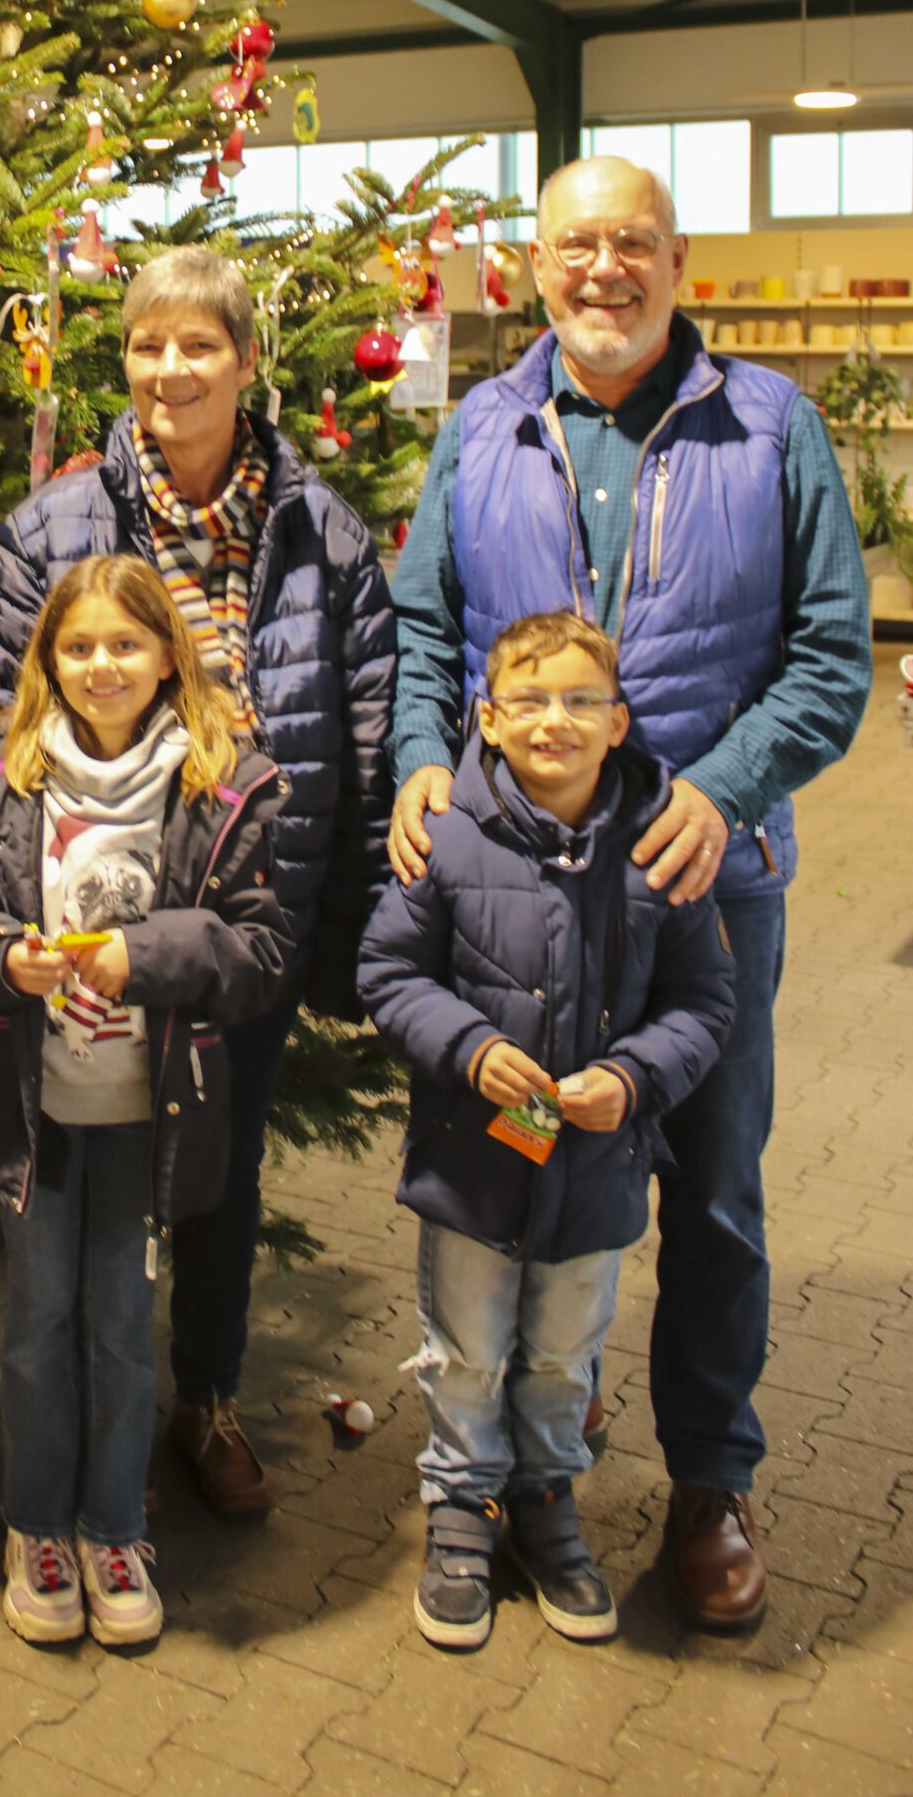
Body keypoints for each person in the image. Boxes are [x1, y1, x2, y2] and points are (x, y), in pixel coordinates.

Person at [388, 154, 872, 1630]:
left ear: (678, 263)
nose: (605, 268)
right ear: (535, 267)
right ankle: (535, 1448)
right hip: (511, 889)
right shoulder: (483, 428)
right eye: (577, 244)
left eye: (634, 243)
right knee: (530, 1163)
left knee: (712, 1193)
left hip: (700, 887)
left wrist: (715, 792)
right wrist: (421, 757)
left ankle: (712, 1480)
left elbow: (829, 657)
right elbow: (423, 626)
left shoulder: (769, 427)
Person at [0, 248, 393, 1516]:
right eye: (147, 345)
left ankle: (205, 1397)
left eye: (199, 344)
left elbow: (373, 726)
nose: (172, 369)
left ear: (247, 361)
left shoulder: (321, 529)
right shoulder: (56, 524)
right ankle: (67, 1423)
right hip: (73, 903)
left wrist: (374, 921)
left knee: (220, 1169)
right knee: (69, 1173)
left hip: (243, 909)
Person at [0, 555, 295, 1649]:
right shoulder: (1, 773)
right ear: (47, 659)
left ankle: (112, 1525)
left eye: (126, 644)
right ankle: (38, 1522)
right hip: (35, 1112)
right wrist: (4, 959)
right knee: (38, 1322)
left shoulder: (222, 784)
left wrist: (146, 955)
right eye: (79, 646)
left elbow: (259, 950)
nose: (102, 666)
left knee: (124, 1326)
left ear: (167, 657)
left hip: (146, 1111)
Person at [360, 612, 733, 1651]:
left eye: (579, 701)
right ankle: (461, 1502)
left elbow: (705, 1000)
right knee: (466, 1349)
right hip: (473, 1167)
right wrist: (469, 1048)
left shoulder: (659, 845)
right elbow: (387, 972)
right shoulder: (447, 833)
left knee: (565, 1354)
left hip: (598, 1170)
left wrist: (634, 1076)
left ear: (618, 720)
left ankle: (545, 1498)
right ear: (487, 717)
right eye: (527, 700)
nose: (552, 721)